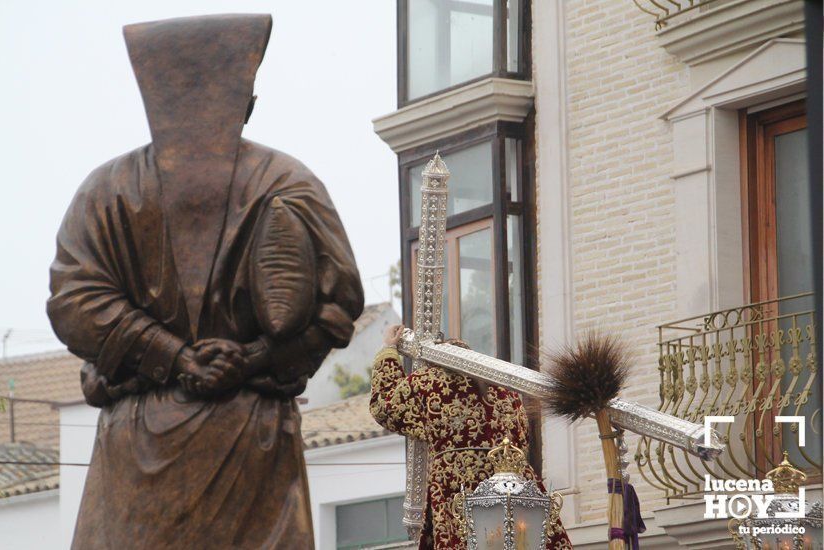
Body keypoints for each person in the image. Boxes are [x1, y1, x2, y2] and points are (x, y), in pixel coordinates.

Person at [47, 15, 363, 549]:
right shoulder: (287, 181)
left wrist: (197, 358)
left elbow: (76, 301)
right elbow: (337, 309)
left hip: (231, 438)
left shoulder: (108, 189)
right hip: (195, 432)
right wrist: (207, 356)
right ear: (249, 104)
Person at [370, 325, 572, 550]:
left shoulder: (427, 381)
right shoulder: (507, 388)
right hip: (515, 489)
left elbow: (384, 406)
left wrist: (388, 351)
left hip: (456, 482)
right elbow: (522, 441)